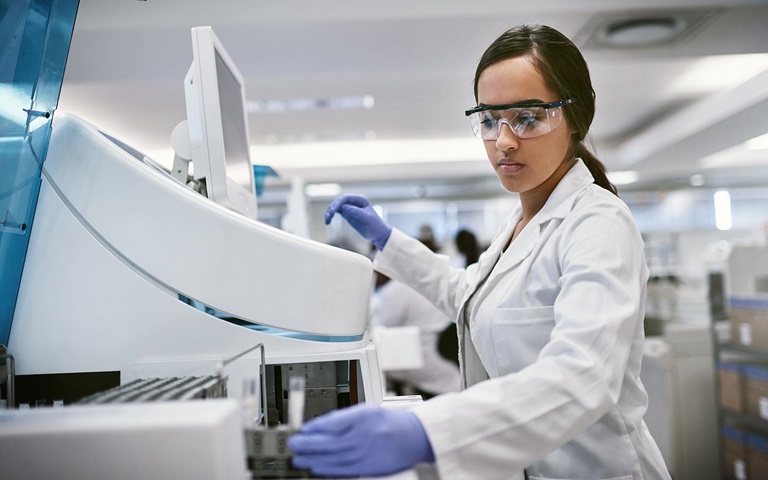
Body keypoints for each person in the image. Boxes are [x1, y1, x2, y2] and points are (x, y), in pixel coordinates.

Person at [288, 24, 671, 480]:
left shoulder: (598, 224)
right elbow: (466, 295)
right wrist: (388, 241)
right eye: (489, 119)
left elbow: (584, 375)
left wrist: (426, 432)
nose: (503, 141)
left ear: (577, 117)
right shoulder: (519, 223)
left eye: (527, 118)